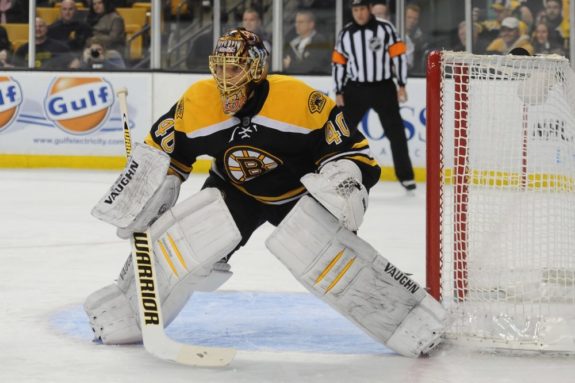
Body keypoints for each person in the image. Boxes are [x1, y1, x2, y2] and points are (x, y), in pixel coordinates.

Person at [83, 27, 447, 357]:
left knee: (321, 252)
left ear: (256, 69)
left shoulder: (297, 100)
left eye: (235, 69)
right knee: (185, 237)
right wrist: (144, 194)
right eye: (220, 68)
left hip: (296, 196)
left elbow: (349, 150)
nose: (225, 79)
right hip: (233, 190)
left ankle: (411, 319)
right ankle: (127, 309)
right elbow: (162, 151)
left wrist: (343, 181)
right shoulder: (198, 102)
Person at [332, 0, 416, 192]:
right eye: (355, 10)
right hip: (355, 88)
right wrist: (338, 90)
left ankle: (406, 176)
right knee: (342, 132)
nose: (359, 13)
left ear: (369, 9)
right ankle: (335, 172)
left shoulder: (385, 28)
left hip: (383, 87)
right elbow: (339, 63)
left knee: (396, 132)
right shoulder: (346, 33)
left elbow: (399, 56)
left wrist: (401, 84)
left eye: (362, 9)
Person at [282, 9, 331, 75]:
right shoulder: (292, 43)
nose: (296, 25)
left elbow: (311, 66)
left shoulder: (320, 42)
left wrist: (290, 64)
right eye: (296, 22)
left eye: (301, 22)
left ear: (311, 24)